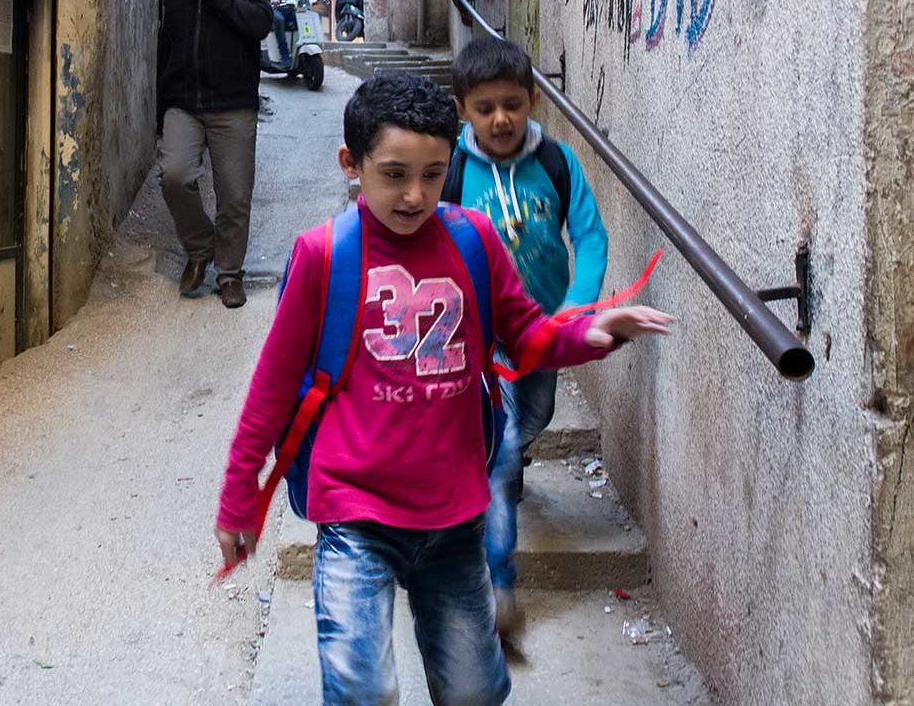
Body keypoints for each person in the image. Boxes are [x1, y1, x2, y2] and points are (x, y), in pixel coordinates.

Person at [215, 74, 669, 706]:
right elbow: (269, 389)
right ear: (353, 163)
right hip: (355, 513)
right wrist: (240, 499)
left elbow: (527, 338)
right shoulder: (322, 255)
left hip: (457, 516)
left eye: (433, 174)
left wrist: (594, 334)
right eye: (395, 173)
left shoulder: (473, 241)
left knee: (475, 692)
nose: (414, 194)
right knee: (361, 691)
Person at [445, 35, 609, 640]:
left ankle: (504, 462)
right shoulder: (454, 169)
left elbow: (589, 239)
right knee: (504, 446)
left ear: (533, 99)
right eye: (485, 107)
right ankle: (500, 585)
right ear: (463, 108)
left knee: (536, 416)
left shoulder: (558, 164)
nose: (500, 118)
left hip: (543, 331)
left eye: (512, 103)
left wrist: (576, 307)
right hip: (479, 339)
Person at [157, 0, 273, 309]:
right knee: (174, 176)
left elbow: (259, 26)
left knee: (235, 195)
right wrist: (162, 111)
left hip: (233, 106)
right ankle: (200, 247)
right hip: (184, 105)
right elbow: (165, 53)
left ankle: (228, 272)